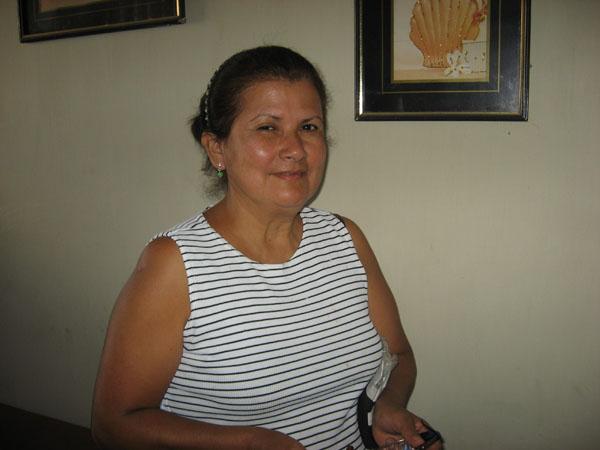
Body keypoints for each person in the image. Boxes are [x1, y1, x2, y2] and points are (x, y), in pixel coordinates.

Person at [91, 46, 442, 450]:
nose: (295, 148)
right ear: (217, 149)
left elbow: (398, 355)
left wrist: (388, 405)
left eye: (308, 126)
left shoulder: (345, 237)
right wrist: (245, 442)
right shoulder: (174, 265)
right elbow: (113, 424)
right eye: (267, 128)